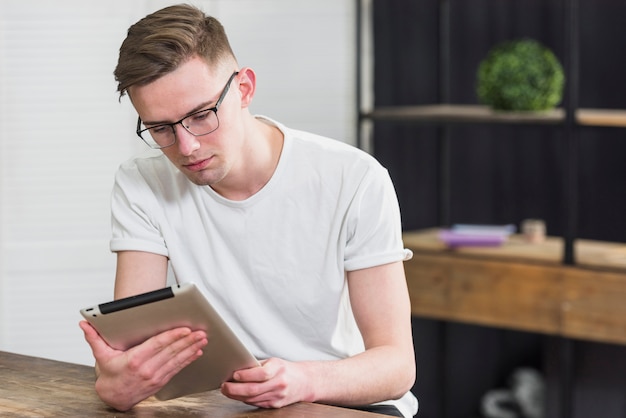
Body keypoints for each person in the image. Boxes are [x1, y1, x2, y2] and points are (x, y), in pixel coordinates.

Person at [79, 4, 418, 417]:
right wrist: (117, 380)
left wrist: (303, 379)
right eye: (161, 129)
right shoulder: (142, 183)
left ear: (244, 89)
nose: (187, 148)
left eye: (201, 115)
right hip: (223, 404)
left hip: (344, 401)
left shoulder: (355, 178)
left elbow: (397, 366)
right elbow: (130, 349)